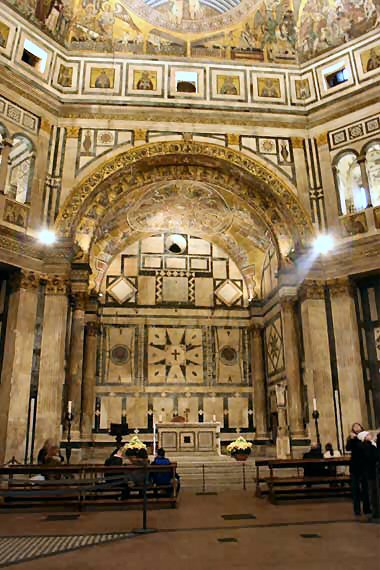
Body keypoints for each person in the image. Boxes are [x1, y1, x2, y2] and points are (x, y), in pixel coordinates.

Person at [346, 422, 371, 516]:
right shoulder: (351, 438)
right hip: (354, 467)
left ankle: (367, 508)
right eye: (354, 426)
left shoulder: (365, 436)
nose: (356, 427)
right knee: (355, 489)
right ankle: (357, 510)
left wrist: (360, 439)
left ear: (361, 427)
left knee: (366, 488)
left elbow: (366, 448)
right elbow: (348, 448)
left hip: (364, 466)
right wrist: (351, 440)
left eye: (358, 425)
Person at [358, 431, 380, 521]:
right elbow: (373, 457)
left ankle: (376, 511)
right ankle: (375, 512)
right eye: (368, 435)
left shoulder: (371, 444)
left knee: (374, 492)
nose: (370, 435)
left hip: (373, 471)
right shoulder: (367, 446)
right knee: (373, 492)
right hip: (371, 472)